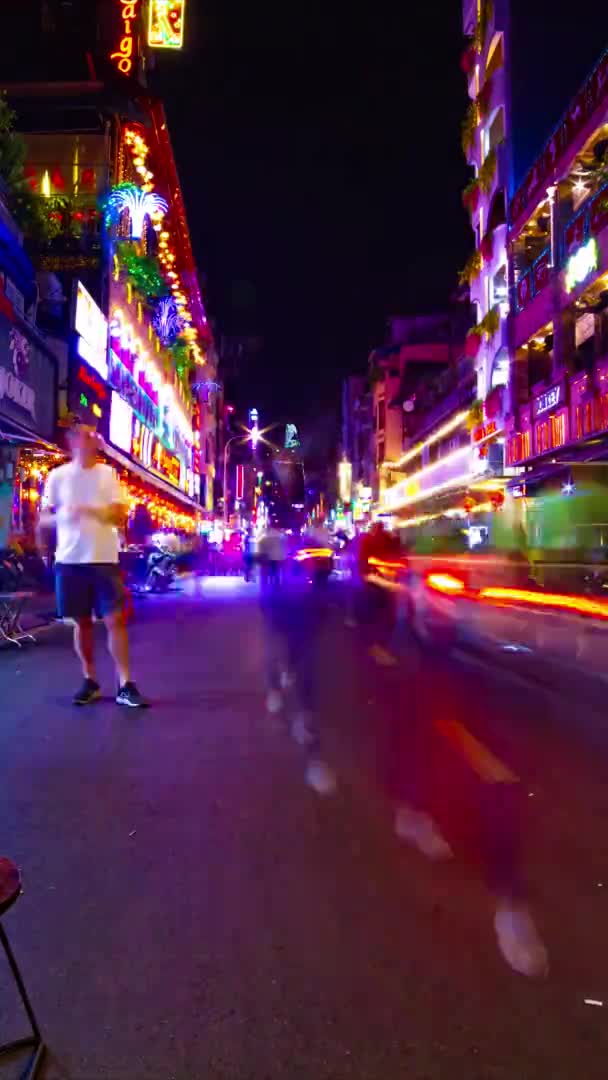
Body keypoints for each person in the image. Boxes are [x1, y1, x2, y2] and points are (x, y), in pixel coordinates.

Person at [41, 419, 148, 707]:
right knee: (82, 622)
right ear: (74, 441)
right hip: (69, 559)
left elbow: (118, 516)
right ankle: (90, 680)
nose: (94, 441)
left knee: (115, 620)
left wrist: (89, 510)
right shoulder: (57, 477)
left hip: (102, 559)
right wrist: (62, 516)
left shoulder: (107, 475)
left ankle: (126, 683)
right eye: (88, 436)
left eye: (95, 436)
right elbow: (44, 518)